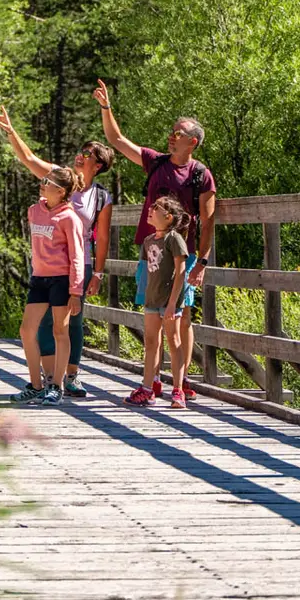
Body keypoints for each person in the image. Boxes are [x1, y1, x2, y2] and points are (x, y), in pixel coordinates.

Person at [92, 79, 216, 401]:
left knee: (180, 318)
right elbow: (116, 140)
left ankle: (180, 382)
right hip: (151, 253)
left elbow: (209, 221)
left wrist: (201, 261)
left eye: (178, 134)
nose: (171, 137)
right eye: (171, 132)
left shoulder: (201, 175)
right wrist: (106, 108)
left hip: (181, 255)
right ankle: (153, 382)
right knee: (152, 318)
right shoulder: (156, 161)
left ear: (192, 142)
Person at [0, 106, 114, 397]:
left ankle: (71, 376)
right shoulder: (60, 178)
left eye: (88, 154)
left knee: (73, 320)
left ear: (97, 165)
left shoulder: (100, 196)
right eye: (81, 150)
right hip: (48, 265)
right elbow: (29, 158)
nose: (80, 155)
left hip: (78, 262)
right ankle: (48, 379)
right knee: (45, 322)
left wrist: (97, 273)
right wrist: (12, 133)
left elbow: (103, 237)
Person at [10, 165, 85, 407]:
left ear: (61, 191)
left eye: (48, 182)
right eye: (44, 180)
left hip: (61, 280)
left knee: (59, 332)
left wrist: (76, 291)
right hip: (39, 278)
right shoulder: (35, 211)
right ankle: (35, 385)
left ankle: (57, 386)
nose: (42, 184)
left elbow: (77, 256)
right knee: (26, 330)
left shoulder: (69, 218)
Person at [125, 196, 189, 409]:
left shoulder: (174, 239)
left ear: (168, 217)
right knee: (151, 342)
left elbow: (181, 272)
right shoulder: (148, 240)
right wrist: (142, 296)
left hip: (170, 300)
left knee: (173, 340)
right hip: (152, 299)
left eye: (156, 208)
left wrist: (173, 303)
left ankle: (178, 389)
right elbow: (145, 272)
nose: (150, 210)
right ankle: (147, 388)